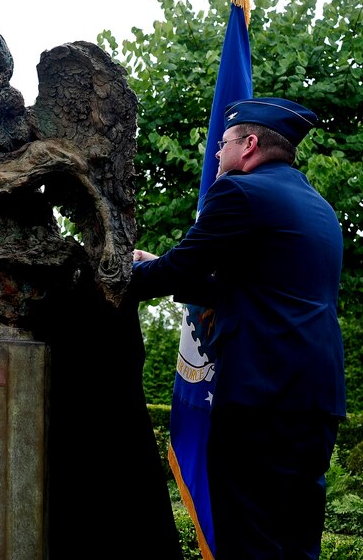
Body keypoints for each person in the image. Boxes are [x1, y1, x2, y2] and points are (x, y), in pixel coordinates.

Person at [131, 97, 345, 558]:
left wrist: (114, 279)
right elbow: (260, 292)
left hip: (259, 397)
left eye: (223, 143)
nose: (216, 154)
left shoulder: (240, 193)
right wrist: (170, 272)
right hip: (315, 400)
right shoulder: (321, 209)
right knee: (296, 539)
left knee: (248, 540)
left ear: (249, 144)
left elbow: (181, 268)